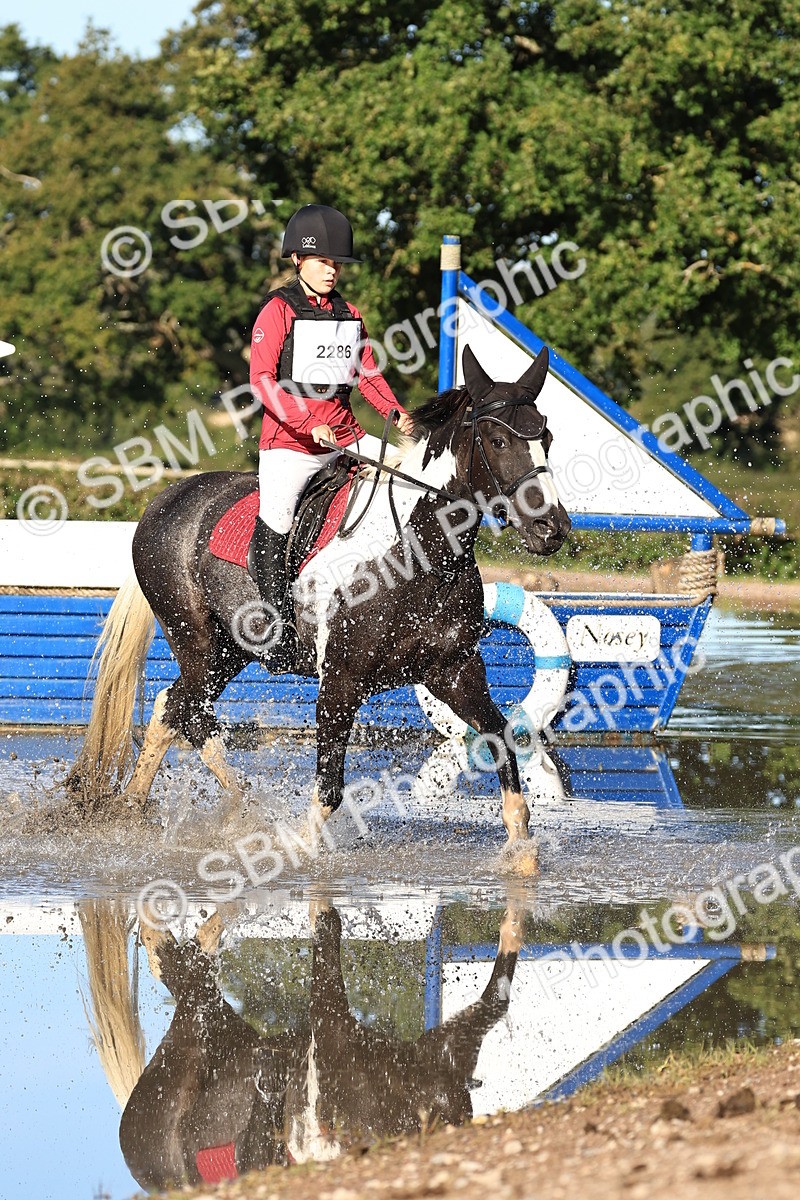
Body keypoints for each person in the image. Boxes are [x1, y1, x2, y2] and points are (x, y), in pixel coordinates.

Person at [249, 204, 414, 668]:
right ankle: (275, 626)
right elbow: (262, 380)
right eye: (323, 261)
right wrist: (305, 422)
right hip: (290, 446)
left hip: (345, 434)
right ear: (298, 261)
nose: (331, 270)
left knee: (410, 483)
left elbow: (367, 374)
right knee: (276, 522)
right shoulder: (277, 310)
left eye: (336, 263)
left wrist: (396, 412)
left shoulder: (350, 313)